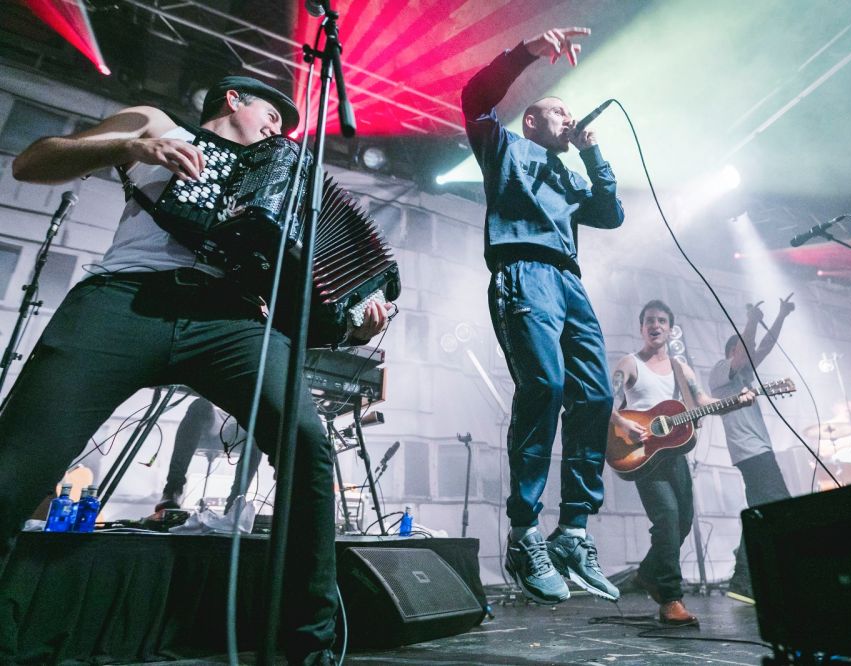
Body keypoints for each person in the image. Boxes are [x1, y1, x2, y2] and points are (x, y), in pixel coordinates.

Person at [3, 75, 387, 665]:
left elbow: (303, 296)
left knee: (306, 443)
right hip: (126, 298)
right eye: (271, 115)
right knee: (21, 456)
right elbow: (32, 163)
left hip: (230, 319)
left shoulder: (284, 183)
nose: (278, 130)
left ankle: (308, 644)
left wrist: (352, 322)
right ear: (232, 99)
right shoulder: (157, 123)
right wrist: (131, 146)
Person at [461, 27, 624, 604]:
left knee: (596, 394)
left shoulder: (568, 173)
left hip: (569, 282)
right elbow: (474, 97)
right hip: (522, 271)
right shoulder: (504, 146)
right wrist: (527, 51)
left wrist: (592, 152)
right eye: (560, 113)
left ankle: (573, 530)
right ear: (532, 120)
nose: (568, 119)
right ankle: (524, 531)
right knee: (546, 387)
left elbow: (611, 213)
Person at [611, 300, 753, 626]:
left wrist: (737, 402)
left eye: (661, 320)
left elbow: (702, 402)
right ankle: (670, 599)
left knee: (683, 522)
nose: (655, 325)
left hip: (674, 453)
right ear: (641, 327)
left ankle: (649, 573)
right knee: (668, 518)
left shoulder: (680, 368)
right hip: (643, 454)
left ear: (670, 329)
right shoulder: (630, 363)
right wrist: (623, 423)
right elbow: (606, 399)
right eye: (650, 320)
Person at [708, 295, 795, 605]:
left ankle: (747, 579)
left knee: (763, 512)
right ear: (733, 352)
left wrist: (781, 315)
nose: (750, 350)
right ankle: (749, 578)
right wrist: (751, 321)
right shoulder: (721, 372)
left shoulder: (745, 375)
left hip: (758, 451)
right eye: (743, 347)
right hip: (751, 452)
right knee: (780, 507)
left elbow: (765, 347)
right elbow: (747, 350)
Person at [155, 395, 262, 514]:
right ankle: (172, 490)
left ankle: (236, 502)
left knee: (260, 422)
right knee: (200, 404)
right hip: (215, 420)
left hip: (246, 426)